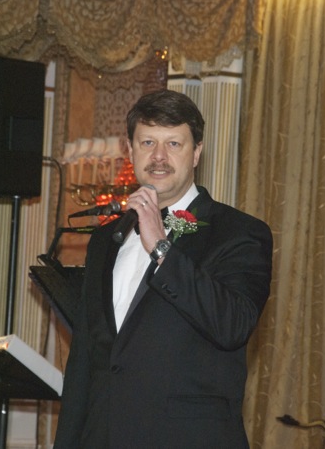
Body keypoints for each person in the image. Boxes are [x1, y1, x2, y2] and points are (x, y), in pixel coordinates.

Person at [55, 89, 273, 448]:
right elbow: (83, 359)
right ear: (130, 150)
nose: (159, 156)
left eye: (173, 143)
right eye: (147, 142)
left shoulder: (239, 233)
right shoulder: (106, 239)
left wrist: (161, 247)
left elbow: (233, 325)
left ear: (197, 152)